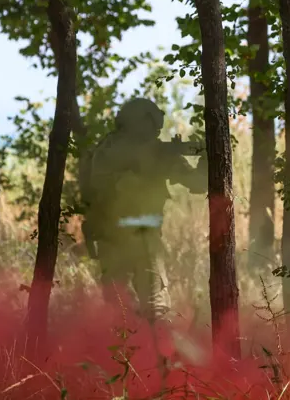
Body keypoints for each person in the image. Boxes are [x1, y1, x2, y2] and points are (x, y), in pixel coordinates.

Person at [80, 97, 206, 319]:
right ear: (144, 121)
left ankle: (119, 352)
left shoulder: (104, 148)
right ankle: (157, 352)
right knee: (156, 308)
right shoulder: (154, 152)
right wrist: (207, 156)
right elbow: (199, 183)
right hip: (143, 237)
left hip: (107, 237)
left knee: (116, 310)